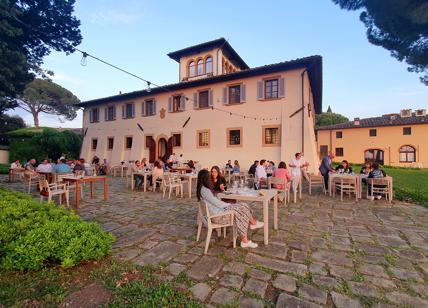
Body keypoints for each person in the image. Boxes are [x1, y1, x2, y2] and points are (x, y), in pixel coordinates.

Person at [196, 169, 263, 248]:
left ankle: (251, 227)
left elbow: (214, 201)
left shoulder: (202, 189)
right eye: (209, 176)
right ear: (205, 178)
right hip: (217, 217)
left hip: (215, 214)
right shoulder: (205, 190)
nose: (210, 177)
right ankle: (247, 235)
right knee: (242, 208)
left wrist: (228, 204)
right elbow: (217, 203)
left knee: (243, 206)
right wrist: (229, 205)